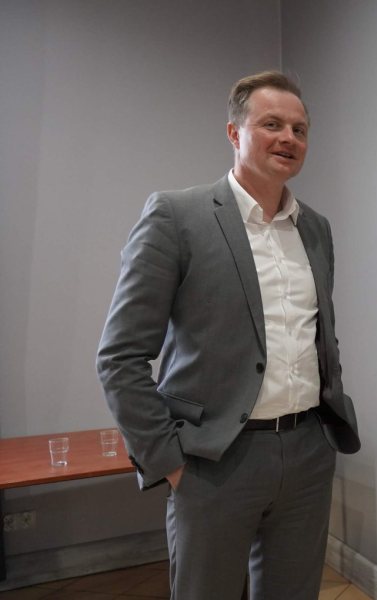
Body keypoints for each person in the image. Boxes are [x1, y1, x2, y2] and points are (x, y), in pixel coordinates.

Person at [97, 70, 359, 600]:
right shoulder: (177, 216)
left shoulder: (315, 228)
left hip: (307, 453)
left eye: (299, 129)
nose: (289, 138)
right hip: (214, 462)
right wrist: (169, 462)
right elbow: (120, 357)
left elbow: (317, 336)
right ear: (234, 133)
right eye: (271, 124)